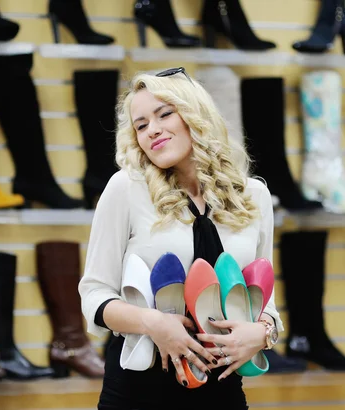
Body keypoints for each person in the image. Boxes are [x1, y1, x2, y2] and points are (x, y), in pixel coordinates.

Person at [78, 67, 284, 410]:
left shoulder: (254, 196)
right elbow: (94, 294)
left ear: (194, 115)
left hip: (223, 390)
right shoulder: (127, 189)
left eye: (164, 115)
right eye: (141, 125)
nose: (152, 131)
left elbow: (265, 301)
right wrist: (154, 323)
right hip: (139, 390)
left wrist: (262, 334)